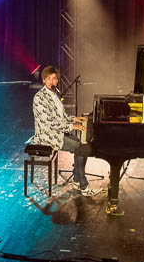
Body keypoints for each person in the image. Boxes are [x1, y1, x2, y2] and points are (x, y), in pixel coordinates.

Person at [31, 65, 99, 196]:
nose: (51, 81)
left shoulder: (55, 94)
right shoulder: (39, 98)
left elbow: (61, 117)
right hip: (47, 135)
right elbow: (49, 123)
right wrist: (72, 126)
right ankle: (83, 185)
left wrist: (75, 119)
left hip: (58, 132)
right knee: (81, 148)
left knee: (82, 145)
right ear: (44, 80)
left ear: (57, 81)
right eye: (48, 79)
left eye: (54, 78)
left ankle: (77, 180)